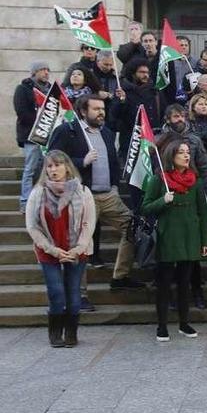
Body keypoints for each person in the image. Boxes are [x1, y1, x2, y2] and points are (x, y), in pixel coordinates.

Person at [48, 95, 145, 292]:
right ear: (83, 111)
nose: (101, 112)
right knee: (80, 242)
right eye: (96, 109)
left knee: (134, 228)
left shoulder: (107, 133)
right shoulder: (68, 131)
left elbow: (113, 162)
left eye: (102, 109)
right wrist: (81, 161)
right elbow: (52, 161)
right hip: (81, 196)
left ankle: (120, 276)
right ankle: (78, 291)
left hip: (108, 196)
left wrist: (116, 186)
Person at [141, 141, 207, 342]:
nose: (186, 156)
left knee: (184, 283)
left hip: (190, 237)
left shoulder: (195, 181)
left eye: (188, 152)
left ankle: (184, 323)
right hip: (167, 236)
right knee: (164, 285)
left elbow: (203, 212)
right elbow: (144, 208)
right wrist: (163, 200)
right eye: (181, 152)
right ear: (171, 156)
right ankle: (162, 325)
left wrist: (204, 239)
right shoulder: (158, 179)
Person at [25, 150, 95, 347]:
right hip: (49, 251)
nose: (53, 169)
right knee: (56, 292)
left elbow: (89, 223)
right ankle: (55, 332)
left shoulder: (82, 191)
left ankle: (71, 332)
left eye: (57, 165)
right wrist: (52, 249)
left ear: (67, 167)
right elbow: (32, 226)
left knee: (73, 294)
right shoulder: (38, 193)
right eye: (49, 166)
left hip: (76, 250)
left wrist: (78, 247)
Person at [111, 58, 165, 165]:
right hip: (130, 142)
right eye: (141, 72)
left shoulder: (155, 92)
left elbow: (163, 113)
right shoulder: (123, 91)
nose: (145, 75)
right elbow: (114, 115)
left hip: (151, 141)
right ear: (133, 73)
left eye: (147, 72)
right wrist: (122, 101)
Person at [14, 61, 52, 213]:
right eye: (43, 70)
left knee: (47, 169)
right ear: (34, 72)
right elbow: (22, 112)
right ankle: (25, 202)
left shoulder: (50, 90)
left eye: (48, 70)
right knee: (30, 169)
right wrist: (39, 121)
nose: (46, 73)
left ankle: (44, 200)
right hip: (31, 136)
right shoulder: (23, 89)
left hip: (47, 136)